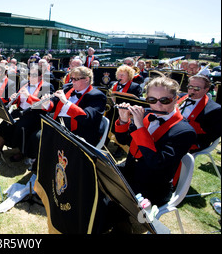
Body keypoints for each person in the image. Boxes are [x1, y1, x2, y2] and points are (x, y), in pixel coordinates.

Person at [114, 76, 197, 206]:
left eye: (164, 100)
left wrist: (140, 127)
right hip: (130, 172)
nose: (157, 105)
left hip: (153, 186)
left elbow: (157, 162)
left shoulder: (185, 131)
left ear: (175, 99)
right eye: (152, 100)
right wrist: (124, 120)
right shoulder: (147, 116)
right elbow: (123, 140)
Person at [0, 65, 54, 162]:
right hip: (20, 110)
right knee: (5, 122)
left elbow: (46, 105)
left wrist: (28, 96)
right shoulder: (26, 84)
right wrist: (13, 98)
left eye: (34, 75)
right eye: (30, 74)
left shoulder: (46, 86)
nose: (31, 77)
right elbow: (17, 100)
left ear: (40, 76)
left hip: (34, 113)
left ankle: (22, 152)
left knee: (21, 127)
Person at [41, 66, 107, 148]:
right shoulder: (67, 89)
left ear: (87, 79)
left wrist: (66, 102)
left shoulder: (97, 96)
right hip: (59, 125)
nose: (72, 82)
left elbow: (87, 118)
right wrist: (47, 103)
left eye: (76, 79)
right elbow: (54, 104)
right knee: (38, 136)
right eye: (71, 78)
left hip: (79, 131)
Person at [178, 74, 221, 152]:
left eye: (197, 88)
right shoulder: (181, 97)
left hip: (192, 140)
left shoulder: (215, 109)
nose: (192, 91)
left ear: (206, 90)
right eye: (190, 87)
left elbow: (211, 135)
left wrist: (185, 123)